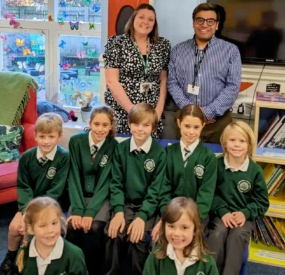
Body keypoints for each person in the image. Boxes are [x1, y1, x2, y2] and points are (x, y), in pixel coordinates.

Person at [0, 113, 70, 275]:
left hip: (53, 205)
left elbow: (56, 189)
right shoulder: (27, 157)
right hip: (28, 205)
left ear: (59, 137)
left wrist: (37, 215)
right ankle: (10, 257)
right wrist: (25, 211)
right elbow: (23, 186)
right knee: (15, 227)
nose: (46, 141)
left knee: (44, 230)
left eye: (51, 136)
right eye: (42, 136)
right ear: (35, 136)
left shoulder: (64, 157)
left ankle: (37, 262)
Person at [167, 3, 242, 143]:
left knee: (216, 162)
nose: (204, 25)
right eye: (200, 20)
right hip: (185, 122)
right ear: (193, 22)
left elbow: (232, 86)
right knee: (185, 161)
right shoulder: (177, 51)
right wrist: (190, 111)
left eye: (210, 21)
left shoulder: (231, 51)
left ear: (217, 25)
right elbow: (172, 83)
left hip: (218, 122)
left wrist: (207, 112)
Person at [105, 103, 166, 275]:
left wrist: (142, 216)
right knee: (114, 233)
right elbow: (116, 183)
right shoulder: (121, 149)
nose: (140, 129)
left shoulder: (159, 153)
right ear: (129, 124)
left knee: (138, 239)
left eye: (146, 125)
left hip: (147, 208)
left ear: (153, 127)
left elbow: (155, 191)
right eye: (136, 124)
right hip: (124, 204)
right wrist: (118, 211)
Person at [207, 121, 269, 275]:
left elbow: (261, 202)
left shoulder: (255, 171)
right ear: (224, 143)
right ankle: (213, 271)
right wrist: (222, 211)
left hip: (243, 217)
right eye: (232, 140)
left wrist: (245, 213)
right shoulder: (216, 164)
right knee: (217, 233)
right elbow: (209, 193)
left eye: (242, 141)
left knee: (236, 236)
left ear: (249, 145)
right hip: (221, 214)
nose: (237, 145)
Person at [103, 3, 171, 138]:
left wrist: (157, 112)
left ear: (154, 24)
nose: (146, 22)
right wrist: (134, 112)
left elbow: (163, 80)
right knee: (122, 153)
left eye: (151, 19)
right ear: (133, 19)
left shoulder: (162, 45)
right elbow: (112, 81)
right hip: (123, 110)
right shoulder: (117, 43)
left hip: (150, 111)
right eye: (141, 17)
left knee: (147, 154)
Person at [66, 105, 119, 275]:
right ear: (90, 122)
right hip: (78, 197)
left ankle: (94, 271)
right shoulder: (76, 141)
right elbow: (73, 176)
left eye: (105, 125)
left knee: (95, 227)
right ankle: (74, 269)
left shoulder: (113, 145)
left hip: (101, 199)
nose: (100, 129)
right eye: (96, 124)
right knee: (73, 227)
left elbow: (106, 182)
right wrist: (79, 210)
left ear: (111, 126)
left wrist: (89, 212)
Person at [152, 104, 217, 241]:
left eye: (196, 127)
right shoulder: (168, 153)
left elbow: (206, 194)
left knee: (190, 244)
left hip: (196, 217)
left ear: (203, 126)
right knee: (158, 241)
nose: (191, 132)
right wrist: (167, 215)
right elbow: (163, 189)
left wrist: (190, 220)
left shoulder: (208, 157)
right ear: (179, 123)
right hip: (170, 213)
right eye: (187, 126)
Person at [143, 197, 218, 275]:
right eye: (171, 226)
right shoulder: (155, 258)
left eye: (184, 227)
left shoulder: (207, 263)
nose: (177, 233)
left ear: (195, 230)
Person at [15, 196, 88, 275]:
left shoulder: (74, 255)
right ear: (31, 229)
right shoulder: (23, 253)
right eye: (42, 225)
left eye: (54, 223)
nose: (50, 230)